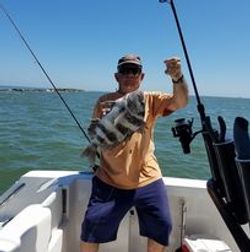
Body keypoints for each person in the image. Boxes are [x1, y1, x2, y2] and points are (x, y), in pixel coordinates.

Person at [80, 54, 189, 252]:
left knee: (162, 225)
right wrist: (103, 125)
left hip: (147, 177)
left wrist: (177, 77)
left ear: (142, 76)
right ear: (117, 76)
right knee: (91, 225)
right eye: (125, 71)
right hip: (110, 178)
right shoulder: (103, 102)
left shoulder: (149, 99)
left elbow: (179, 102)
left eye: (134, 71)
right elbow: (94, 133)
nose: (129, 75)